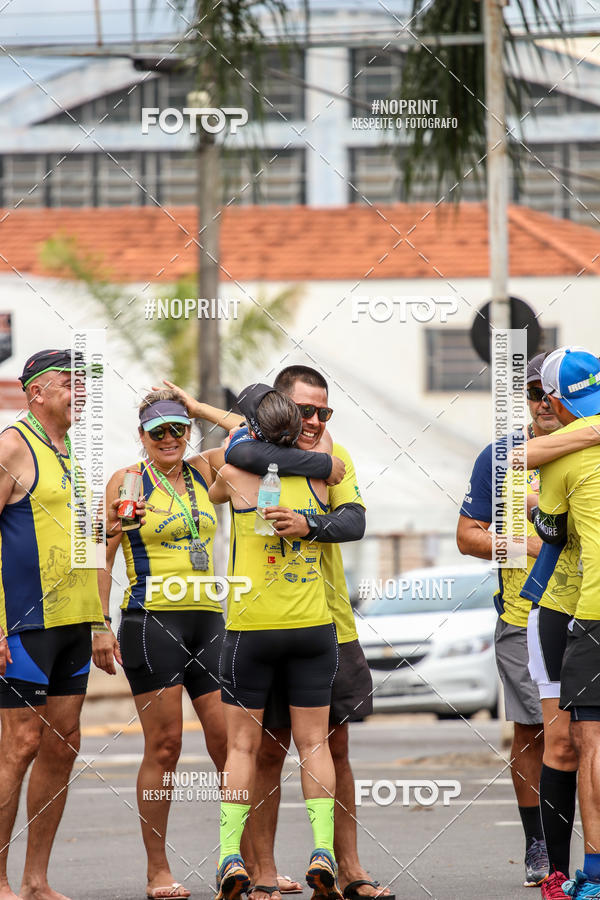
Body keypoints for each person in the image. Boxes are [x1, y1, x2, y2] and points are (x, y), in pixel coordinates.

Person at [223, 368, 390, 900]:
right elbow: (235, 448)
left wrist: (309, 524)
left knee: (334, 748)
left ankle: (350, 870)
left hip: (330, 622)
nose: (316, 421)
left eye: (325, 412)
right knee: (268, 751)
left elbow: (355, 521)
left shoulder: (332, 461)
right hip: (272, 622)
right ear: (280, 413)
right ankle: (266, 874)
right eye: (306, 412)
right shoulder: (260, 457)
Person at [95, 389, 232, 900]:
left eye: (179, 428)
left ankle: (241, 863)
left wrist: (196, 406)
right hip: (152, 623)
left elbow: (257, 433)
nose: (171, 439)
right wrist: (98, 626)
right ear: (142, 437)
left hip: (210, 619)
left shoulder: (204, 469)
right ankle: (158, 869)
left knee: (232, 747)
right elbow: (100, 557)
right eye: (159, 432)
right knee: (166, 746)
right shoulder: (128, 481)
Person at [209, 387, 342, 900]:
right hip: (312, 628)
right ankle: (322, 849)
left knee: (242, 747)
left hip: (251, 628)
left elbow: (221, 477)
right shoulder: (321, 472)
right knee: (314, 743)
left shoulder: (236, 470)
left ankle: (228, 856)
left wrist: (240, 434)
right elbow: (319, 449)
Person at [456, 351, 580, 888]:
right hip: (523, 613)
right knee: (534, 732)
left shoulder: (589, 444)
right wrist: (528, 544)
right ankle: (539, 843)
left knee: (586, 736)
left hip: (586, 610)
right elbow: (467, 535)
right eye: (532, 395)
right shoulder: (503, 455)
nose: (543, 405)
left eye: (549, 394)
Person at [0, 349, 104, 900]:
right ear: (36, 392)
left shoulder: (74, 456)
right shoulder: (11, 446)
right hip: (24, 623)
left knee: (63, 745)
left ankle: (36, 880)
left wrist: (102, 620)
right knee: (18, 745)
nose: (81, 392)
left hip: (76, 623)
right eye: (70, 383)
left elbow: (85, 544)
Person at [531, 347, 600, 898]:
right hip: (567, 609)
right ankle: (571, 870)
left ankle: (595, 874)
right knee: (572, 743)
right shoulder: (559, 447)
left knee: (590, 742)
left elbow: (551, 532)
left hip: (591, 611)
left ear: (555, 400)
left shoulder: (554, 456)